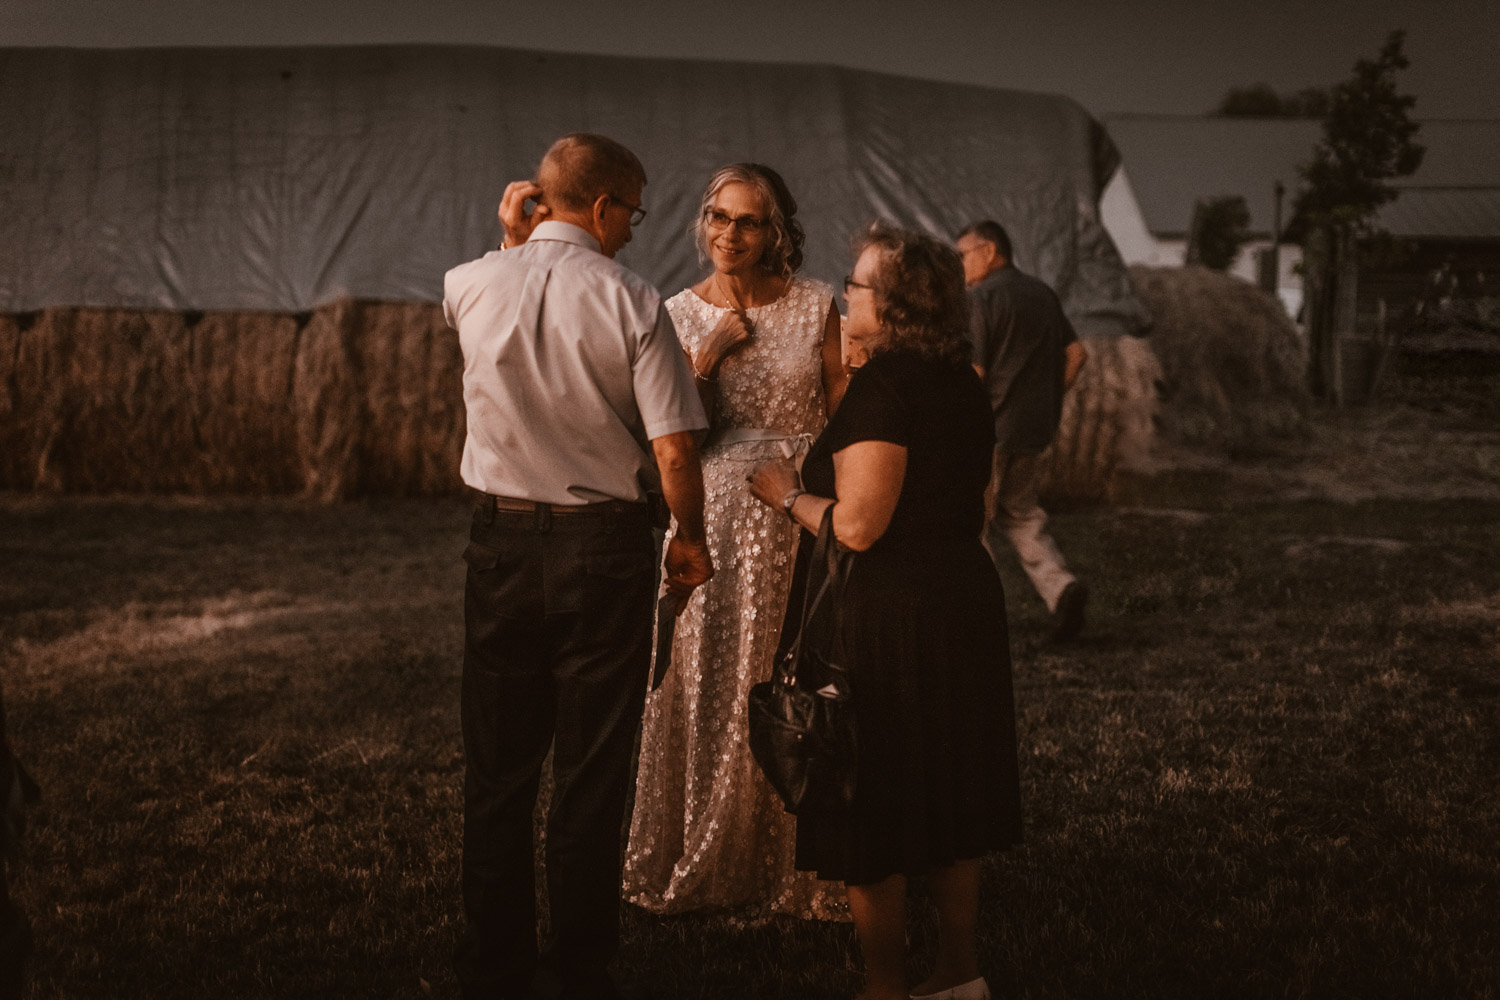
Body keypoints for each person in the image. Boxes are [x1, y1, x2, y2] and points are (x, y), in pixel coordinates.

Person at [443, 133, 714, 1000]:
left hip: (499, 546)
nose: (634, 228)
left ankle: (495, 969)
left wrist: (511, 237)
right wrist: (690, 536)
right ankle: (581, 972)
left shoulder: (468, 282)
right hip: (603, 550)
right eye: (633, 211)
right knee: (591, 774)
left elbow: (517, 288)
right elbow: (674, 450)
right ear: (602, 207)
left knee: (497, 772)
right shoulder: (633, 300)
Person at [749, 223, 1023, 1000]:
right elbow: (975, 501)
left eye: (857, 285)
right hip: (960, 601)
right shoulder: (961, 380)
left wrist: (786, 495)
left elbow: (862, 526)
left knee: (871, 802)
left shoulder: (884, 390)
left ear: (895, 305)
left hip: (891, 617)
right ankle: (960, 972)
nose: (844, 296)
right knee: (949, 789)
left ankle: (886, 987)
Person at [623, 163, 848, 920]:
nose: (730, 233)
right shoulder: (676, 312)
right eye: (719, 216)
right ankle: (712, 854)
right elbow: (673, 436)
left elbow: (843, 406)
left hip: (800, 506)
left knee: (798, 669)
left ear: (775, 231)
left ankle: (800, 863)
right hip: (715, 509)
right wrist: (707, 358)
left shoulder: (817, 304)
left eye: (748, 220)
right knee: (712, 674)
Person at [955, 220, 1090, 640]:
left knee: (971, 522)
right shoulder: (1043, 294)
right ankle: (1062, 588)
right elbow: (1077, 355)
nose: (960, 265)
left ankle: (981, 617)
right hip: (1033, 431)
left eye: (963, 254)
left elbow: (975, 374)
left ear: (989, 251)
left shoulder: (981, 299)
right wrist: (1047, 400)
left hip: (990, 431)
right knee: (1021, 514)